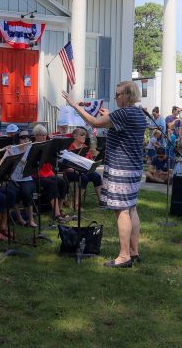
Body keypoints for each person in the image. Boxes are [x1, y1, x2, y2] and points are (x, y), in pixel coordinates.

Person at [62, 80, 146, 268]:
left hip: (121, 168)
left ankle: (124, 256)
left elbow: (93, 122)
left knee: (121, 211)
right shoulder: (138, 113)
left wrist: (74, 105)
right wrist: (110, 115)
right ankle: (134, 252)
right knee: (131, 208)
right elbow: (119, 126)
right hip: (133, 167)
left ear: (127, 95)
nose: (115, 97)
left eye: (118, 94)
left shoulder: (123, 113)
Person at [31, 125, 67, 223]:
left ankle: (59, 208)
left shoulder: (48, 145)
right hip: (36, 175)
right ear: (36, 136)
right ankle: (57, 214)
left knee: (62, 182)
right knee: (52, 184)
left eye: (45, 135)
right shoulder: (33, 147)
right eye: (41, 135)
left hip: (48, 173)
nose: (44, 137)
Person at [64, 127, 103, 206]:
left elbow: (89, 161)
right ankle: (76, 203)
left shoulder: (85, 147)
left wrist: (94, 163)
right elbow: (65, 163)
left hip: (83, 170)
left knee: (97, 176)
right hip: (70, 171)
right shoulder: (69, 147)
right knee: (84, 178)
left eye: (85, 135)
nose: (84, 137)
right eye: (82, 135)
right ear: (75, 136)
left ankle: (101, 201)